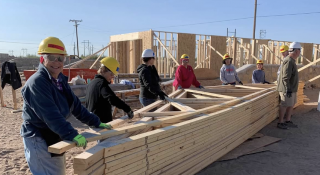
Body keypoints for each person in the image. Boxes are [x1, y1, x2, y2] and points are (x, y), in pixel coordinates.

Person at [20, 37, 111, 175]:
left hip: (54, 133)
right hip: (39, 136)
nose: (56, 62)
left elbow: (76, 106)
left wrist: (96, 122)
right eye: (52, 57)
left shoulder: (60, 79)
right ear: (42, 59)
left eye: (60, 59)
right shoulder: (37, 82)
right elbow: (50, 115)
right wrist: (71, 133)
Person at [86, 57, 134, 124]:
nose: (112, 77)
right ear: (104, 70)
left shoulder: (92, 83)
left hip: (92, 121)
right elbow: (111, 98)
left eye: (113, 75)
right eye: (111, 74)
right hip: (101, 124)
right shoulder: (101, 84)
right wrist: (127, 109)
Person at [276, 42, 300, 129]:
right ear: (296, 51)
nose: (300, 53)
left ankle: (288, 120)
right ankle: (280, 122)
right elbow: (286, 77)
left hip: (291, 88)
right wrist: (288, 88)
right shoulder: (289, 61)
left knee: (291, 104)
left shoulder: (291, 61)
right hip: (286, 88)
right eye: (299, 50)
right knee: (284, 104)